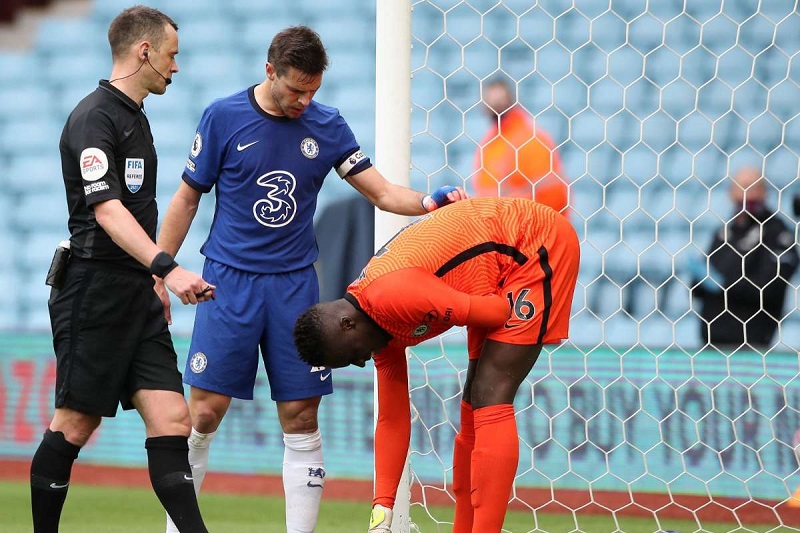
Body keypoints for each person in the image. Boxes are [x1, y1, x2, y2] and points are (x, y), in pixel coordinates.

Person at [156, 25, 467, 533]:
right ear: (270, 71)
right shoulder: (223, 117)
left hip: (295, 287)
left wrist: (428, 202)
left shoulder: (326, 126)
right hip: (227, 283)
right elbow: (187, 197)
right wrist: (160, 268)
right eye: (296, 89)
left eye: (313, 91)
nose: (304, 100)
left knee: (301, 417)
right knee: (204, 415)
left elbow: (384, 193)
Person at [30, 6, 215, 533]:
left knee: (172, 419)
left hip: (135, 291)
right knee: (75, 422)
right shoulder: (94, 117)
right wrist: (169, 267)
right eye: (172, 56)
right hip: (93, 289)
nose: (175, 68)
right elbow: (107, 211)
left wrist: (152, 280)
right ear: (144, 51)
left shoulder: (134, 116)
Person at [293, 197, 580, 533]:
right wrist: (381, 514)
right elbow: (392, 419)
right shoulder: (376, 330)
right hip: (490, 272)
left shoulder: (393, 295)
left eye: (349, 357)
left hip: (532, 244)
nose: (359, 362)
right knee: (472, 406)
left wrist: (460, 302)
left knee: (491, 392)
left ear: (347, 325)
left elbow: (496, 312)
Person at [689, 166, 798, 350]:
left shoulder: (778, 235)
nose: (743, 205)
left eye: (750, 198)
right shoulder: (725, 232)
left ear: (763, 194)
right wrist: (700, 280)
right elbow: (698, 287)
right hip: (710, 342)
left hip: (751, 343)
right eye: (739, 199)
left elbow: (769, 288)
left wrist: (723, 284)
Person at [472, 78, 570, 217]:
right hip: (499, 225)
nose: (495, 105)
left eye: (500, 101)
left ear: (511, 101)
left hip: (528, 225)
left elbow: (552, 189)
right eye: (491, 101)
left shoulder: (530, 138)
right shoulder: (490, 142)